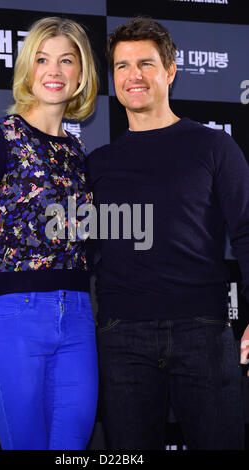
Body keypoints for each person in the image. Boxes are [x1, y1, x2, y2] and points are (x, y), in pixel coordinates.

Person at [87, 16, 249, 450]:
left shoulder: (214, 147)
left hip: (203, 331)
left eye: (146, 63)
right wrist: (9, 236)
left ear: (171, 70)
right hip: (122, 337)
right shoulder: (97, 164)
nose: (133, 76)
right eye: (122, 66)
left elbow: (247, 230)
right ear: (112, 78)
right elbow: (76, 245)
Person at [0, 16, 99, 450]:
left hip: (77, 317)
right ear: (28, 68)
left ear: (81, 75)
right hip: (13, 314)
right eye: (42, 59)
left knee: (71, 450)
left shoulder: (79, 153)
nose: (53, 72)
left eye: (66, 61)